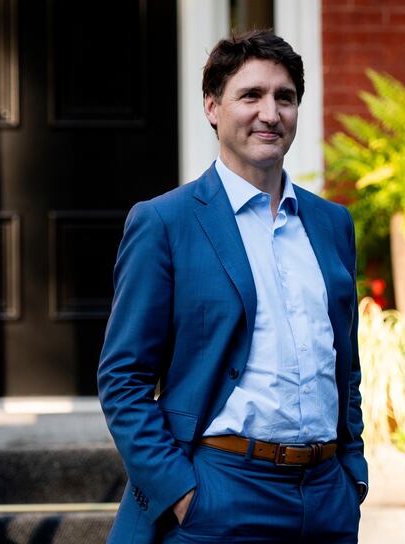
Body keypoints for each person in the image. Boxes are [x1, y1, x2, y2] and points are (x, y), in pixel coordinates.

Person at [98, 30, 367, 544]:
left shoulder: (332, 224)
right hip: (222, 492)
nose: (270, 113)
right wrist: (182, 493)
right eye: (251, 96)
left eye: (284, 97)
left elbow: (346, 365)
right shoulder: (165, 222)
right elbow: (123, 377)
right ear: (212, 107)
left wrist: (352, 471)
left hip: (327, 497)